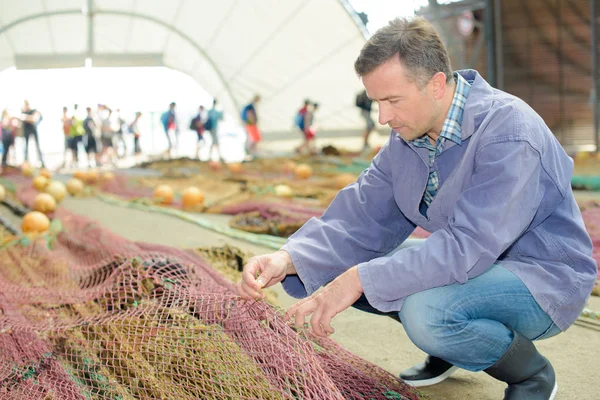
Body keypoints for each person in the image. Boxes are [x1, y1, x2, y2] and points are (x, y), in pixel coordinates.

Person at [237, 17, 597, 400]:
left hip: (541, 275)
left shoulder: (510, 132)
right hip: (476, 264)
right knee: (353, 266)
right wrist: (287, 258)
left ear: (437, 84)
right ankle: (454, 346)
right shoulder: (407, 139)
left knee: (427, 313)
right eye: (377, 102)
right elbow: (361, 216)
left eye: (393, 101)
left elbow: (467, 247)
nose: (383, 117)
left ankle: (531, 375)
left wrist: (360, 278)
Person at [20, 100, 45, 167]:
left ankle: (42, 162)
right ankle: (26, 163)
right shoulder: (23, 111)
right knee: (25, 147)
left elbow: (34, 118)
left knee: (37, 146)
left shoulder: (34, 111)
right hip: (26, 130)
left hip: (33, 129)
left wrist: (25, 117)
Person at [241, 95, 261, 159]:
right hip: (250, 125)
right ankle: (249, 153)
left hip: (251, 124)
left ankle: (251, 153)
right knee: (252, 139)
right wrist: (252, 122)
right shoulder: (250, 106)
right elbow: (249, 115)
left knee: (254, 139)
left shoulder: (251, 106)